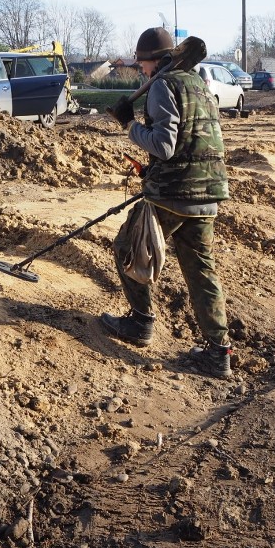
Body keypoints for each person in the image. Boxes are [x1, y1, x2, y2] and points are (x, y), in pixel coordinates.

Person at [101, 27, 233, 379]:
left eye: (142, 65)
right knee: (201, 272)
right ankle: (218, 354)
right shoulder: (199, 85)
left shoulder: (162, 85)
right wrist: (151, 168)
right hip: (208, 193)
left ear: (155, 61)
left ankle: (140, 323)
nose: (141, 71)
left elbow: (165, 145)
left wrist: (129, 124)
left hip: (174, 194)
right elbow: (193, 140)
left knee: (129, 248)